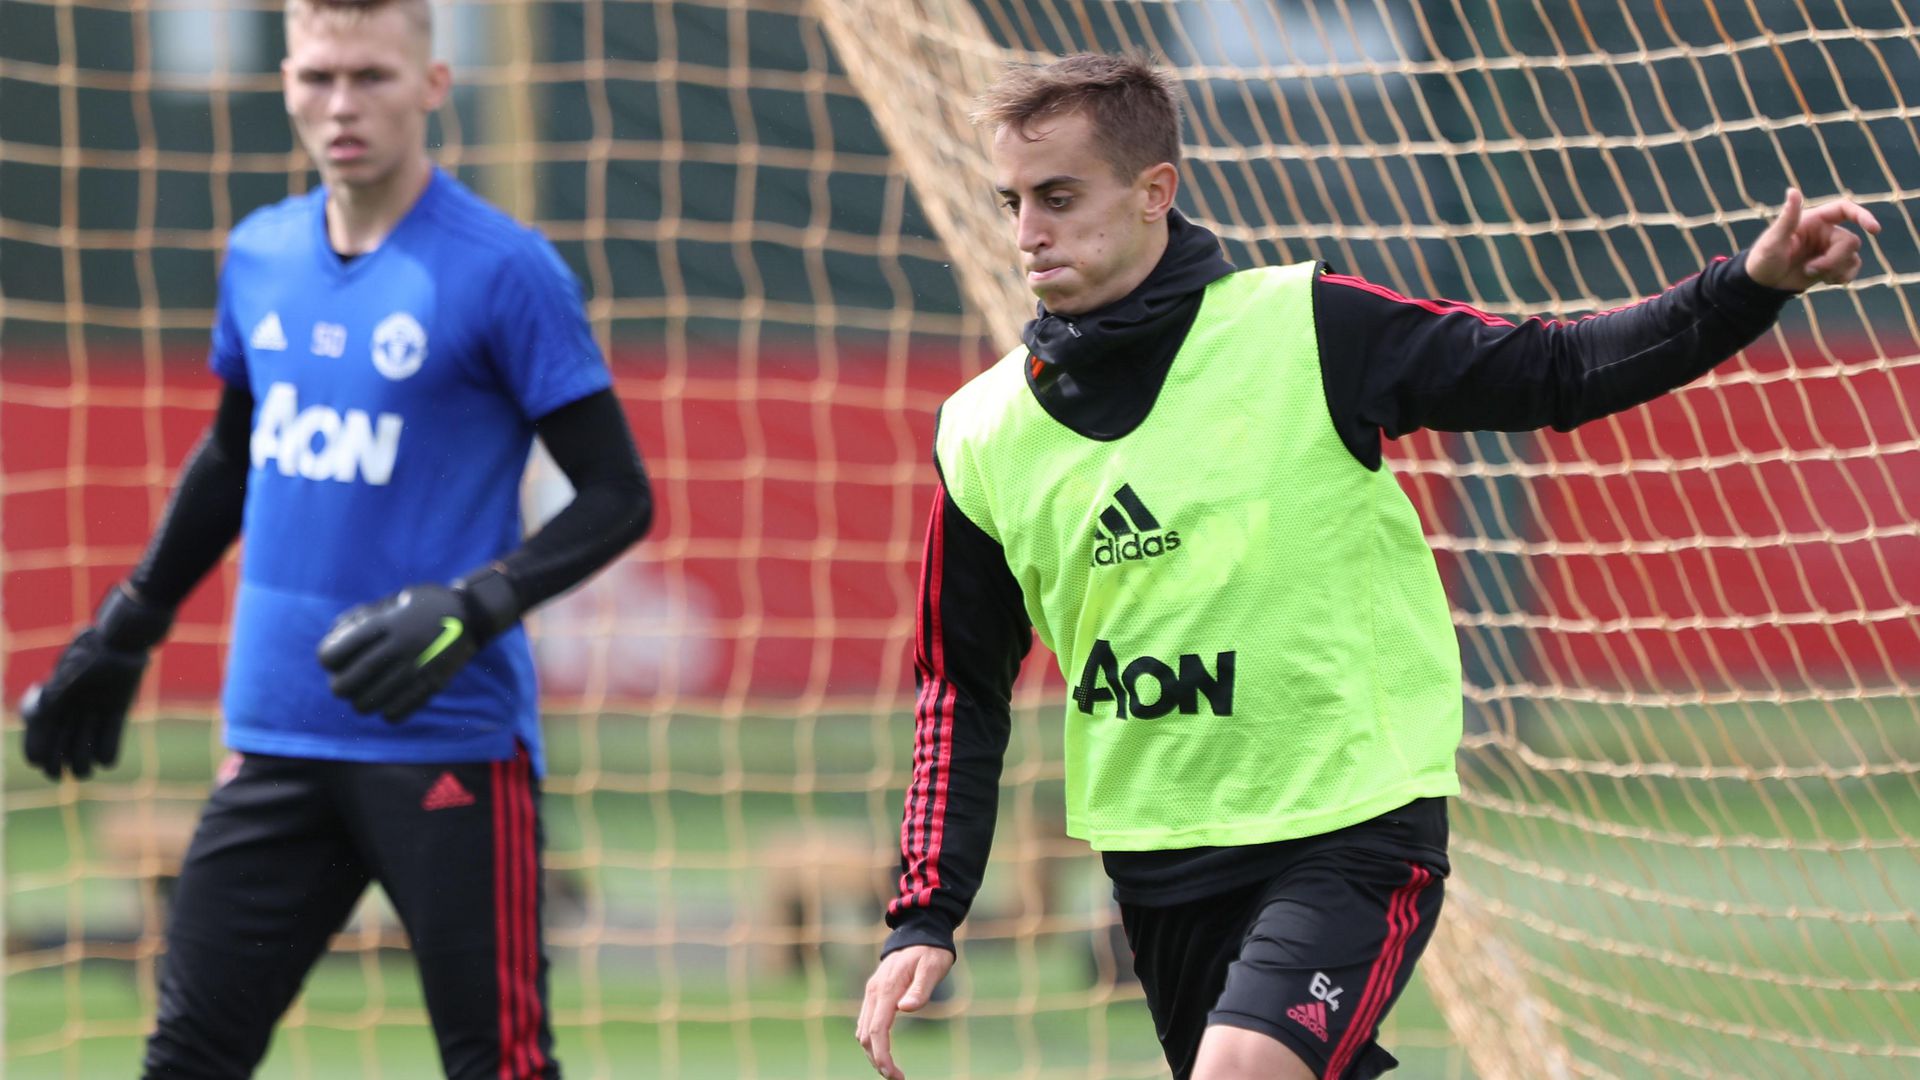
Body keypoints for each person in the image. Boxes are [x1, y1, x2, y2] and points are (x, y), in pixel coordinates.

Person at [855, 53, 1877, 1080]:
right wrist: (925, 911)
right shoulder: (983, 431)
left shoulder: (1306, 327)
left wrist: (1748, 288)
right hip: (1161, 857)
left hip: (1349, 823)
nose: (1028, 232)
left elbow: (1553, 368)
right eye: (1013, 200)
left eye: (1060, 197)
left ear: (1154, 192)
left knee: (1244, 1072)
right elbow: (961, 685)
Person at [18, 0, 652, 1075]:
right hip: (275, 737)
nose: (342, 104)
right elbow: (231, 456)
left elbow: (617, 496)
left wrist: (472, 606)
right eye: (318, 78)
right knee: (188, 1054)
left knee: (499, 1064)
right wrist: (129, 624)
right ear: (286, 82)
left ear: (432, 86)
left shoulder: (507, 271)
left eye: (371, 76)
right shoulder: (258, 253)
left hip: (447, 742)